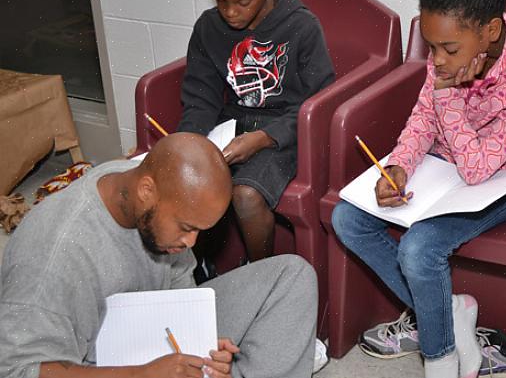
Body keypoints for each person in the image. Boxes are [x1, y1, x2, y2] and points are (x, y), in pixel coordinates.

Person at [331, 0, 506, 378]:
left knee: (419, 249)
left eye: (448, 49)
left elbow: (478, 169)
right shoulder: (450, 54)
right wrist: (398, 167)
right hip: (443, 172)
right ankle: (449, 313)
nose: (437, 58)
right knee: (347, 220)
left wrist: (448, 93)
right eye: (431, 46)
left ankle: (441, 359)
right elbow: (421, 121)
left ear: (491, 31)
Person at [0, 133, 318, 378]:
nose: (191, 242)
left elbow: (180, 287)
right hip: (94, 363)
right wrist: (140, 373)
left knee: (293, 276)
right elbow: (16, 370)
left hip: (149, 330)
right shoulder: (52, 258)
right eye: (185, 227)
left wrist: (202, 343)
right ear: (146, 192)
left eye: (200, 230)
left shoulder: (137, 181)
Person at [177, 0, 335, 263]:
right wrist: (188, 143)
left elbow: (317, 103)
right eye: (222, 1)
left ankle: (259, 275)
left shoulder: (301, 27)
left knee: (246, 195)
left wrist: (263, 138)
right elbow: (200, 97)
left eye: (243, 2)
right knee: (182, 177)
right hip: (231, 127)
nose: (231, 12)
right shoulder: (208, 28)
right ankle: (196, 270)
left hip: (285, 134)